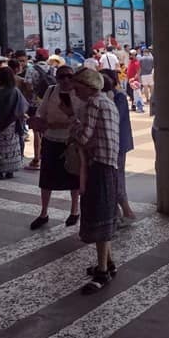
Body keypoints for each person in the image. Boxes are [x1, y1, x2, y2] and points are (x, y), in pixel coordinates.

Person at [69, 67, 120, 294]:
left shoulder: (92, 104)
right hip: (109, 166)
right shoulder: (107, 101)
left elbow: (84, 136)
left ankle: (102, 272)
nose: (74, 91)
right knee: (106, 216)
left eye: (77, 86)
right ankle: (108, 262)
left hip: (97, 166)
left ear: (88, 86)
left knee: (100, 218)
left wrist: (73, 123)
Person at [27, 64, 82, 230]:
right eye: (61, 76)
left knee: (74, 179)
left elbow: (81, 118)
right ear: (57, 78)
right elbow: (41, 112)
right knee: (46, 179)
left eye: (69, 76)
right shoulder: (51, 91)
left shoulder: (78, 93)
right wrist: (39, 122)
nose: (65, 80)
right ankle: (43, 213)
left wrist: (60, 123)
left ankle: (74, 211)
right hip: (51, 140)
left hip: (71, 142)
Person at [102, 72, 137, 226]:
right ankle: (117, 213)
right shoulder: (105, 97)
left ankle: (127, 212)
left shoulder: (118, 97)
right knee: (112, 179)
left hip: (117, 144)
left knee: (117, 178)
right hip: (110, 144)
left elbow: (115, 119)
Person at [24, 48, 55, 170]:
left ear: (36, 56)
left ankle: (36, 159)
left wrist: (32, 95)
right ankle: (48, 157)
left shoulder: (31, 69)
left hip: (34, 103)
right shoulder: (52, 69)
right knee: (47, 131)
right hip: (49, 103)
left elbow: (28, 86)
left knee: (36, 131)